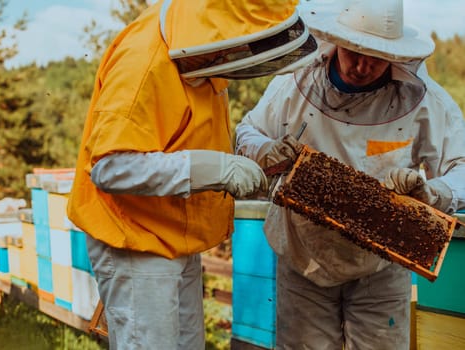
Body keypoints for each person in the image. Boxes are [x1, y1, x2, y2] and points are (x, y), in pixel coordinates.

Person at [66, 0, 318, 349]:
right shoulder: (143, 61)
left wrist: (252, 161)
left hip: (176, 233)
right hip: (137, 238)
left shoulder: (207, 43)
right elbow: (110, 167)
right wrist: (216, 169)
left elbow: (183, 135)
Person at [235, 0, 465, 349]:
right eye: (355, 51)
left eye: (375, 55)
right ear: (338, 41)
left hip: (381, 268)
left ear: (396, 53)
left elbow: (462, 167)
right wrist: (263, 150)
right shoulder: (295, 83)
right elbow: (248, 131)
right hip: (302, 257)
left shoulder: (427, 101)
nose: (362, 65)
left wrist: (435, 193)